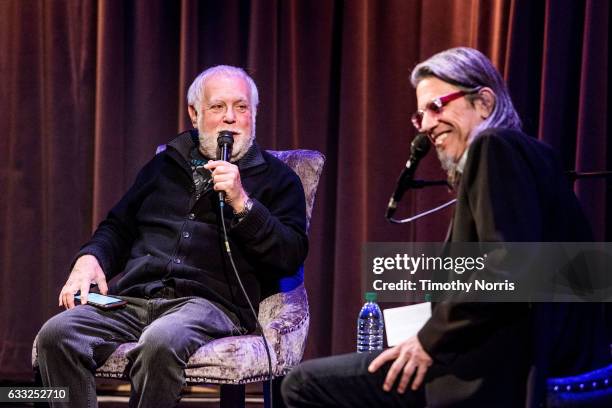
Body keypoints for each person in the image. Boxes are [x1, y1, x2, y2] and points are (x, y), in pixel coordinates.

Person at [282, 47, 607, 407]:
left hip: (494, 371)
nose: (427, 126)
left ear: (484, 102)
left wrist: (428, 341)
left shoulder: (492, 144)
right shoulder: (537, 154)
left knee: (302, 384)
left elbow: (505, 270)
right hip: (527, 353)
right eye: (420, 116)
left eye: (437, 107)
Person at [36, 65, 308, 407]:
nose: (230, 119)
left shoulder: (278, 180)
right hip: (135, 300)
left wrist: (243, 204)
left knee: (160, 341)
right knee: (56, 334)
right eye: (217, 107)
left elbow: (291, 254)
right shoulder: (164, 167)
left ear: (254, 114)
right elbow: (119, 227)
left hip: (209, 306)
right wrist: (91, 258)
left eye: (241, 108)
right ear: (194, 114)